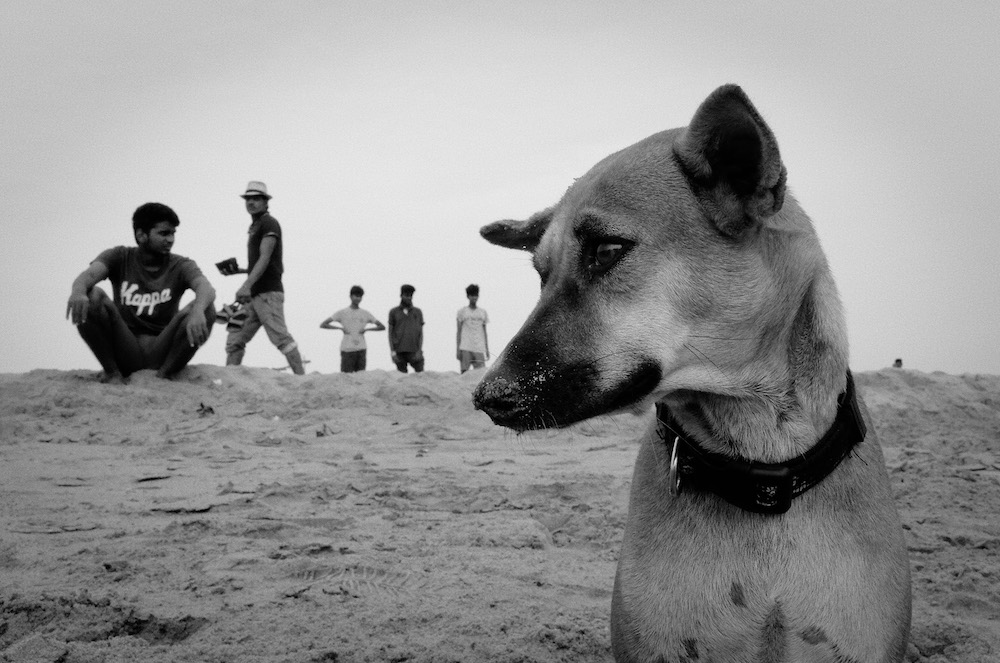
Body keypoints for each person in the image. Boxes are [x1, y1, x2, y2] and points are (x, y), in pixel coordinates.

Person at [65, 202, 215, 382]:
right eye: (163, 233)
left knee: (206, 307)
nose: (170, 239)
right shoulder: (119, 256)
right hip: (125, 348)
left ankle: (165, 376)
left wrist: (198, 310)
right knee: (92, 295)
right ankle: (112, 372)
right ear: (141, 235)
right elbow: (88, 276)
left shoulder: (181, 264)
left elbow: (205, 287)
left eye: (173, 233)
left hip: (162, 350)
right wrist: (78, 292)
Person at [218, 181, 306, 374]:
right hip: (256, 294)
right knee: (235, 338)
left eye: (256, 198)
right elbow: (263, 261)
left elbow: (266, 257)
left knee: (280, 337)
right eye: (248, 199)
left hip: (267, 293)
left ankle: (302, 381)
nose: (251, 202)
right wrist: (241, 271)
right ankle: (230, 380)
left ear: (266, 202)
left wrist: (245, 285)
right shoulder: (256, 225)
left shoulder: (268, 223)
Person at [320, 285, 385, 372]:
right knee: (347, 378)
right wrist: (340, 328)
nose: (358, 298)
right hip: (347, 349)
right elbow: (324, 324)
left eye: (360, 296)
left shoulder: (365, 313)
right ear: (351, 296)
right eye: (356, 296)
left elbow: (382, 326)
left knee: (361, 377)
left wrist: (367, 329)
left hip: (361, 349)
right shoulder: (342, 313)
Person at [388, 284, 424, 372]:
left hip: (414, 350)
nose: (409, 298)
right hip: (399, 351)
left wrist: (419, 350)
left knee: (421, 377)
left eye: (411, 296)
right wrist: (392, 352)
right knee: (402, 380)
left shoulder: (417, 312)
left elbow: (421, 333)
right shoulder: (394, 312)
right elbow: (390, 333)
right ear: (401, 295)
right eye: (406, 295)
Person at [456, 283, 490, 373]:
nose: (474, 298)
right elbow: (458, 331)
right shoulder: (462, 312)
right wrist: (458, 349)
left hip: (479, 347)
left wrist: (487, 349)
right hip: (465, 346)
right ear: (468, 296)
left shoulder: (482, 313)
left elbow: (485, 332)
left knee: (480, 374)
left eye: (476, 295)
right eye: (472, 295)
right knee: (464, 373)